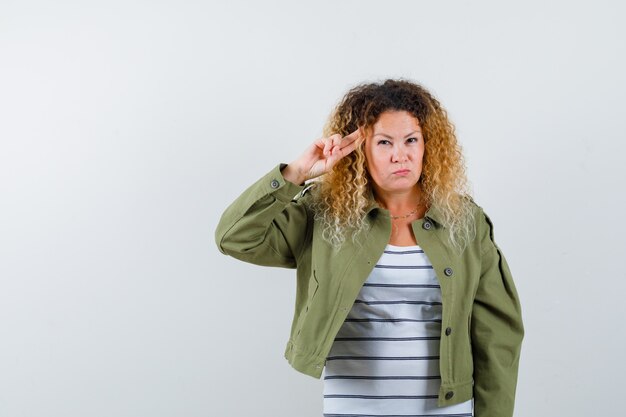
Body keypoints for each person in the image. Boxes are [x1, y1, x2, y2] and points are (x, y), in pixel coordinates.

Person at [215, 79, 524, 417]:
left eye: (410, 140)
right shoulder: (324, 213)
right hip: (354, 407)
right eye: (384, 142)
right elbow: (234, 238)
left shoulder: (464, 220)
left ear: (427, 145)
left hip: (448, 409)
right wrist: (296, 172)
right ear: (360, 149)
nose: (399, 155)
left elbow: (497, 332)